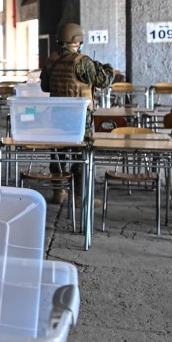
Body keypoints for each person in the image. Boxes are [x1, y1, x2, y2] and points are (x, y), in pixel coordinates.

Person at [40, 22, 117, 206]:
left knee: (58, 154)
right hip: (79, 117)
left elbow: (45, 86)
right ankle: (79, 196)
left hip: (57, 115)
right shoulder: (82, 61)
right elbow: (104, 80)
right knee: (81, 155)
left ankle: (59, 192)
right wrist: (106, 68)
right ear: (78, 41)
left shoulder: (52, 59)